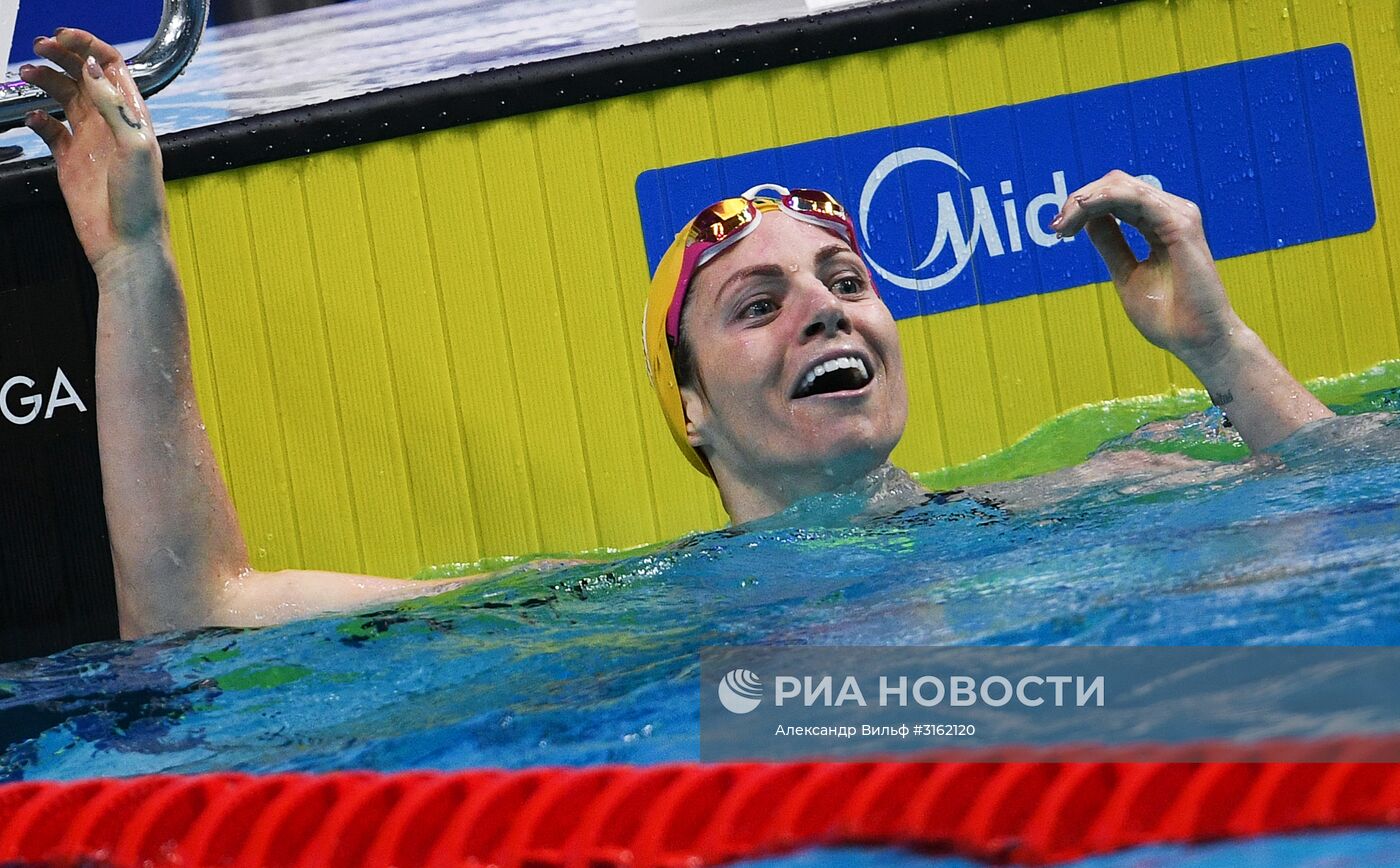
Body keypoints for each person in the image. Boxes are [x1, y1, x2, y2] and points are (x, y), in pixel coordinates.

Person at [21, 30, 1334, 638]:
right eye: (755, 306)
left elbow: (1343, 502)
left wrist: (1215, 348)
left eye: (843, 278)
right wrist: (132, 258)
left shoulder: (1085, 502)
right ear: (689, 410)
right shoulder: (623, 611)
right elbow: (198, 615)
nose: (824, 304)